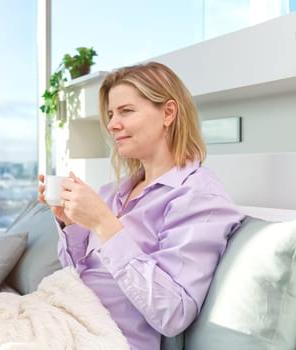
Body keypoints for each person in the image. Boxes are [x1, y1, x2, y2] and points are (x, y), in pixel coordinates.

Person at [38, 61, 244, 350]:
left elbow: (173, 313)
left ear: (168, 113)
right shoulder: (114, 191)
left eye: (126, 111)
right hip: (63, 319)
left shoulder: (197, 196)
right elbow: (81, 276)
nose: (111, 124)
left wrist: (103, 224)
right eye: (111, 114)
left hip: (104, 339)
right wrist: (71, 224)